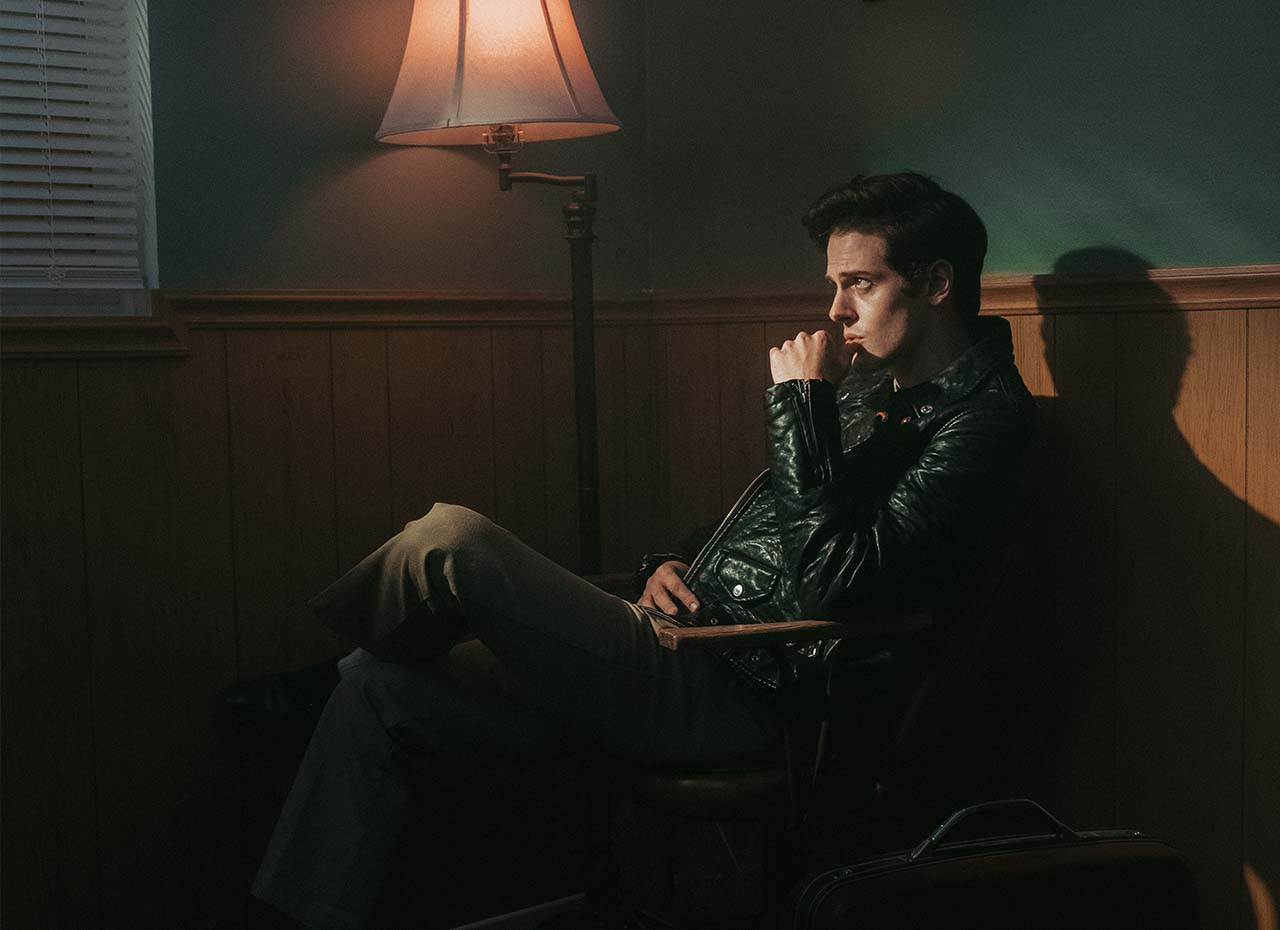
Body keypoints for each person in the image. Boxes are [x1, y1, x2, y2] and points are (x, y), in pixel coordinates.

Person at [250, 171, 1037, 929]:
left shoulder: (985, 424)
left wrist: (802, 405)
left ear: (936, 283)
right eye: (834, 285)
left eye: (859, 283)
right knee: (377, 689)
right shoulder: (874, 389)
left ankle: (323, 670)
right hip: (678, 640)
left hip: (751, 689)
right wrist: (660, 563)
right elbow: (764, 528)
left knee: (453, 538)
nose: (835, 311)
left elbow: (838, 586)